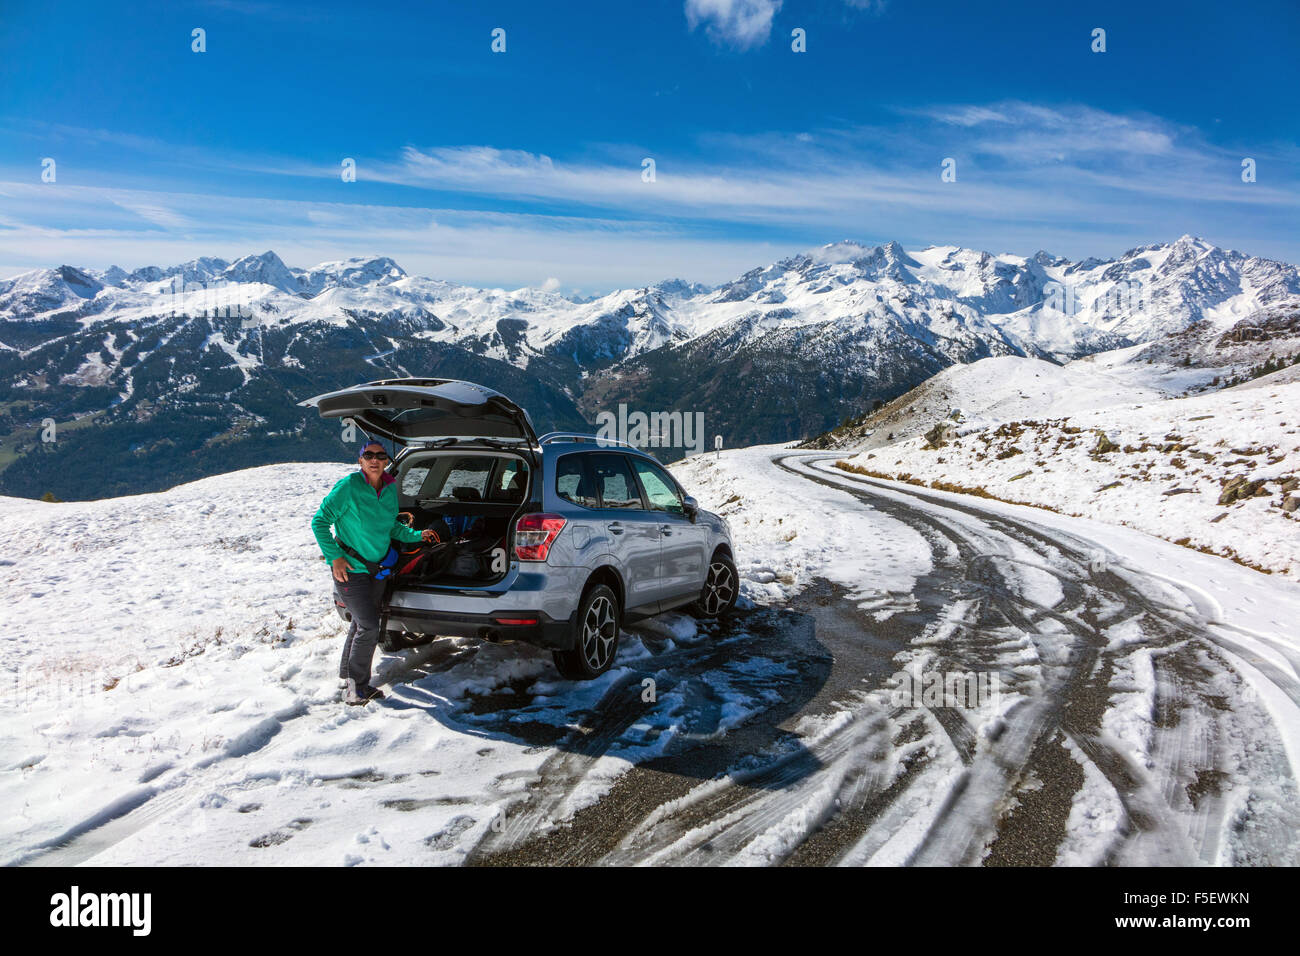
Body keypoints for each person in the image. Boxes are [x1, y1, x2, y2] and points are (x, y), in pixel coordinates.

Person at [311, 440, 437, 705]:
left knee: (361, 622)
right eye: (368, 455)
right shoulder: (348, 487)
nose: (374, 459)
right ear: (360, 460)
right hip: (351, 570)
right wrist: (335, 558)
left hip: (378, 570)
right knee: (369, 625)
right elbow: (319, 521)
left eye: (380, 455)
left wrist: (417, 535)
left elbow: (390, 526)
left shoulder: (390, 488)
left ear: (386, 461)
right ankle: (357, 689)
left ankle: (348, 677)